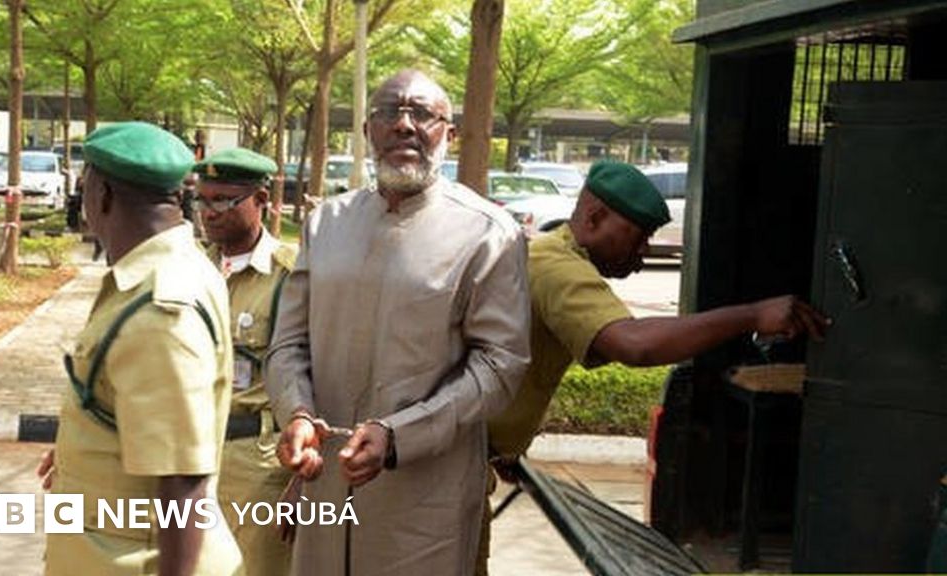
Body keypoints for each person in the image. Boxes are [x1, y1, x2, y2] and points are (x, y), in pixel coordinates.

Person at [475, 160, 829, 573]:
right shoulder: (556, 267)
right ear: (594, 217)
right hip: (457, 463)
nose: (643, 251)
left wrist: (506, 448)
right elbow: (635, 344)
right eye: (638, 235)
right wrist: (753, 315)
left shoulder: (549, 255)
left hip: (475, 456)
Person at [264, 69, 531, 575]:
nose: (404, 125)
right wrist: (296, 414)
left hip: (423, 502)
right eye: (389, 112)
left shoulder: (488, 234)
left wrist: (400, 436)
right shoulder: (327, 223)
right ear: (368, 130)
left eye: (422, 114)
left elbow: (501, 365)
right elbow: (288, 343)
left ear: (450, 134)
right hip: (324, 488)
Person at [43, 122, 242, 576]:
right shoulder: (173, 269)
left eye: (85, 187)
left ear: (103, 196)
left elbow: (183, 478)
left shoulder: (161, 308)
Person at [193, 147, 297, 575]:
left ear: (262, 200)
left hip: (258, 463)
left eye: (224, 200)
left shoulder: (291, 276)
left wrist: (302, 480)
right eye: (202, 199)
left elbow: (320, 375)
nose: (209, 212)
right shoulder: (189, 270)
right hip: (189, 455)